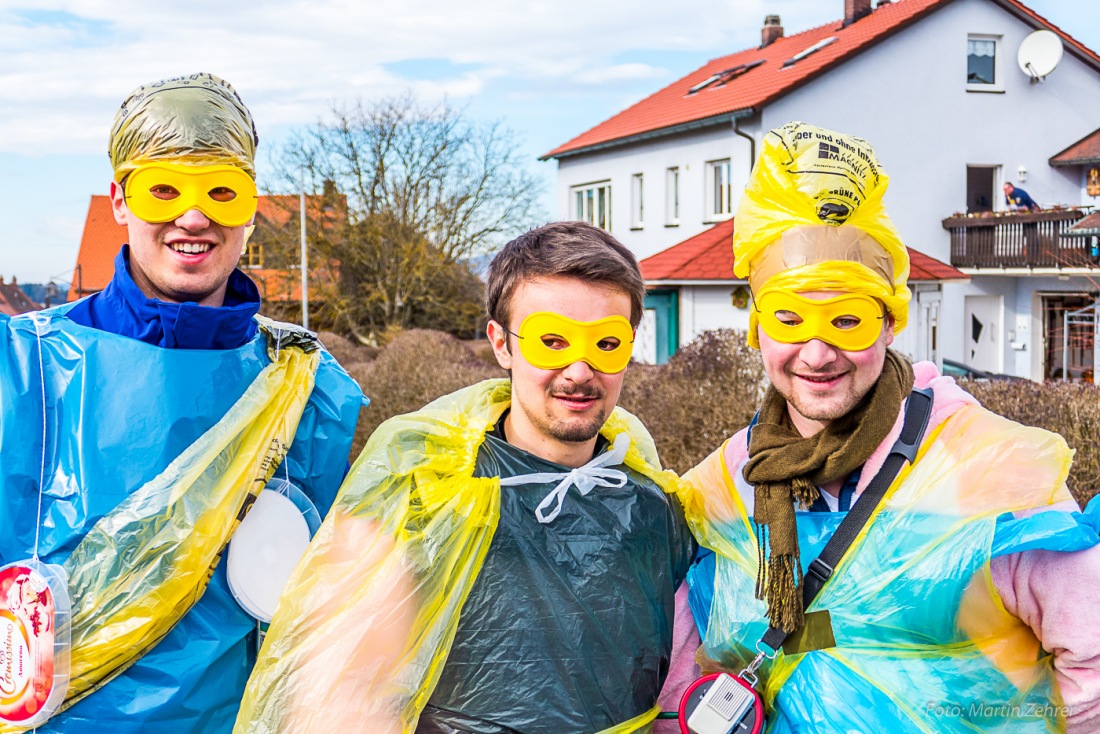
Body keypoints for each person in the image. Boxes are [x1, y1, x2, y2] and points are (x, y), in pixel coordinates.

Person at [666, 122, 1100, 732]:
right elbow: (688, 668)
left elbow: (1093, 658)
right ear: (758, 330)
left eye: (846, 321)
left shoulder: (988, 469)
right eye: (789, 321)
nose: (817, 355)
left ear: (890, 324)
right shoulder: (723, 486)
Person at [0, 73, 363, 733]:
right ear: (119, 200)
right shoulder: (19, 369)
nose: (193, 219)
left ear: (251, 205)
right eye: (163, 189)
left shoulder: (307, 386)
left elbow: (327, 610)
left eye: (220, 192)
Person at [235, 221, 696, 734]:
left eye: (606, 344)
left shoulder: (655, 511)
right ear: (501, 343)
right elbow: (341, 696)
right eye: (551, 341)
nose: (580, 371)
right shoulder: (420, 497)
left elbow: (677, 694)